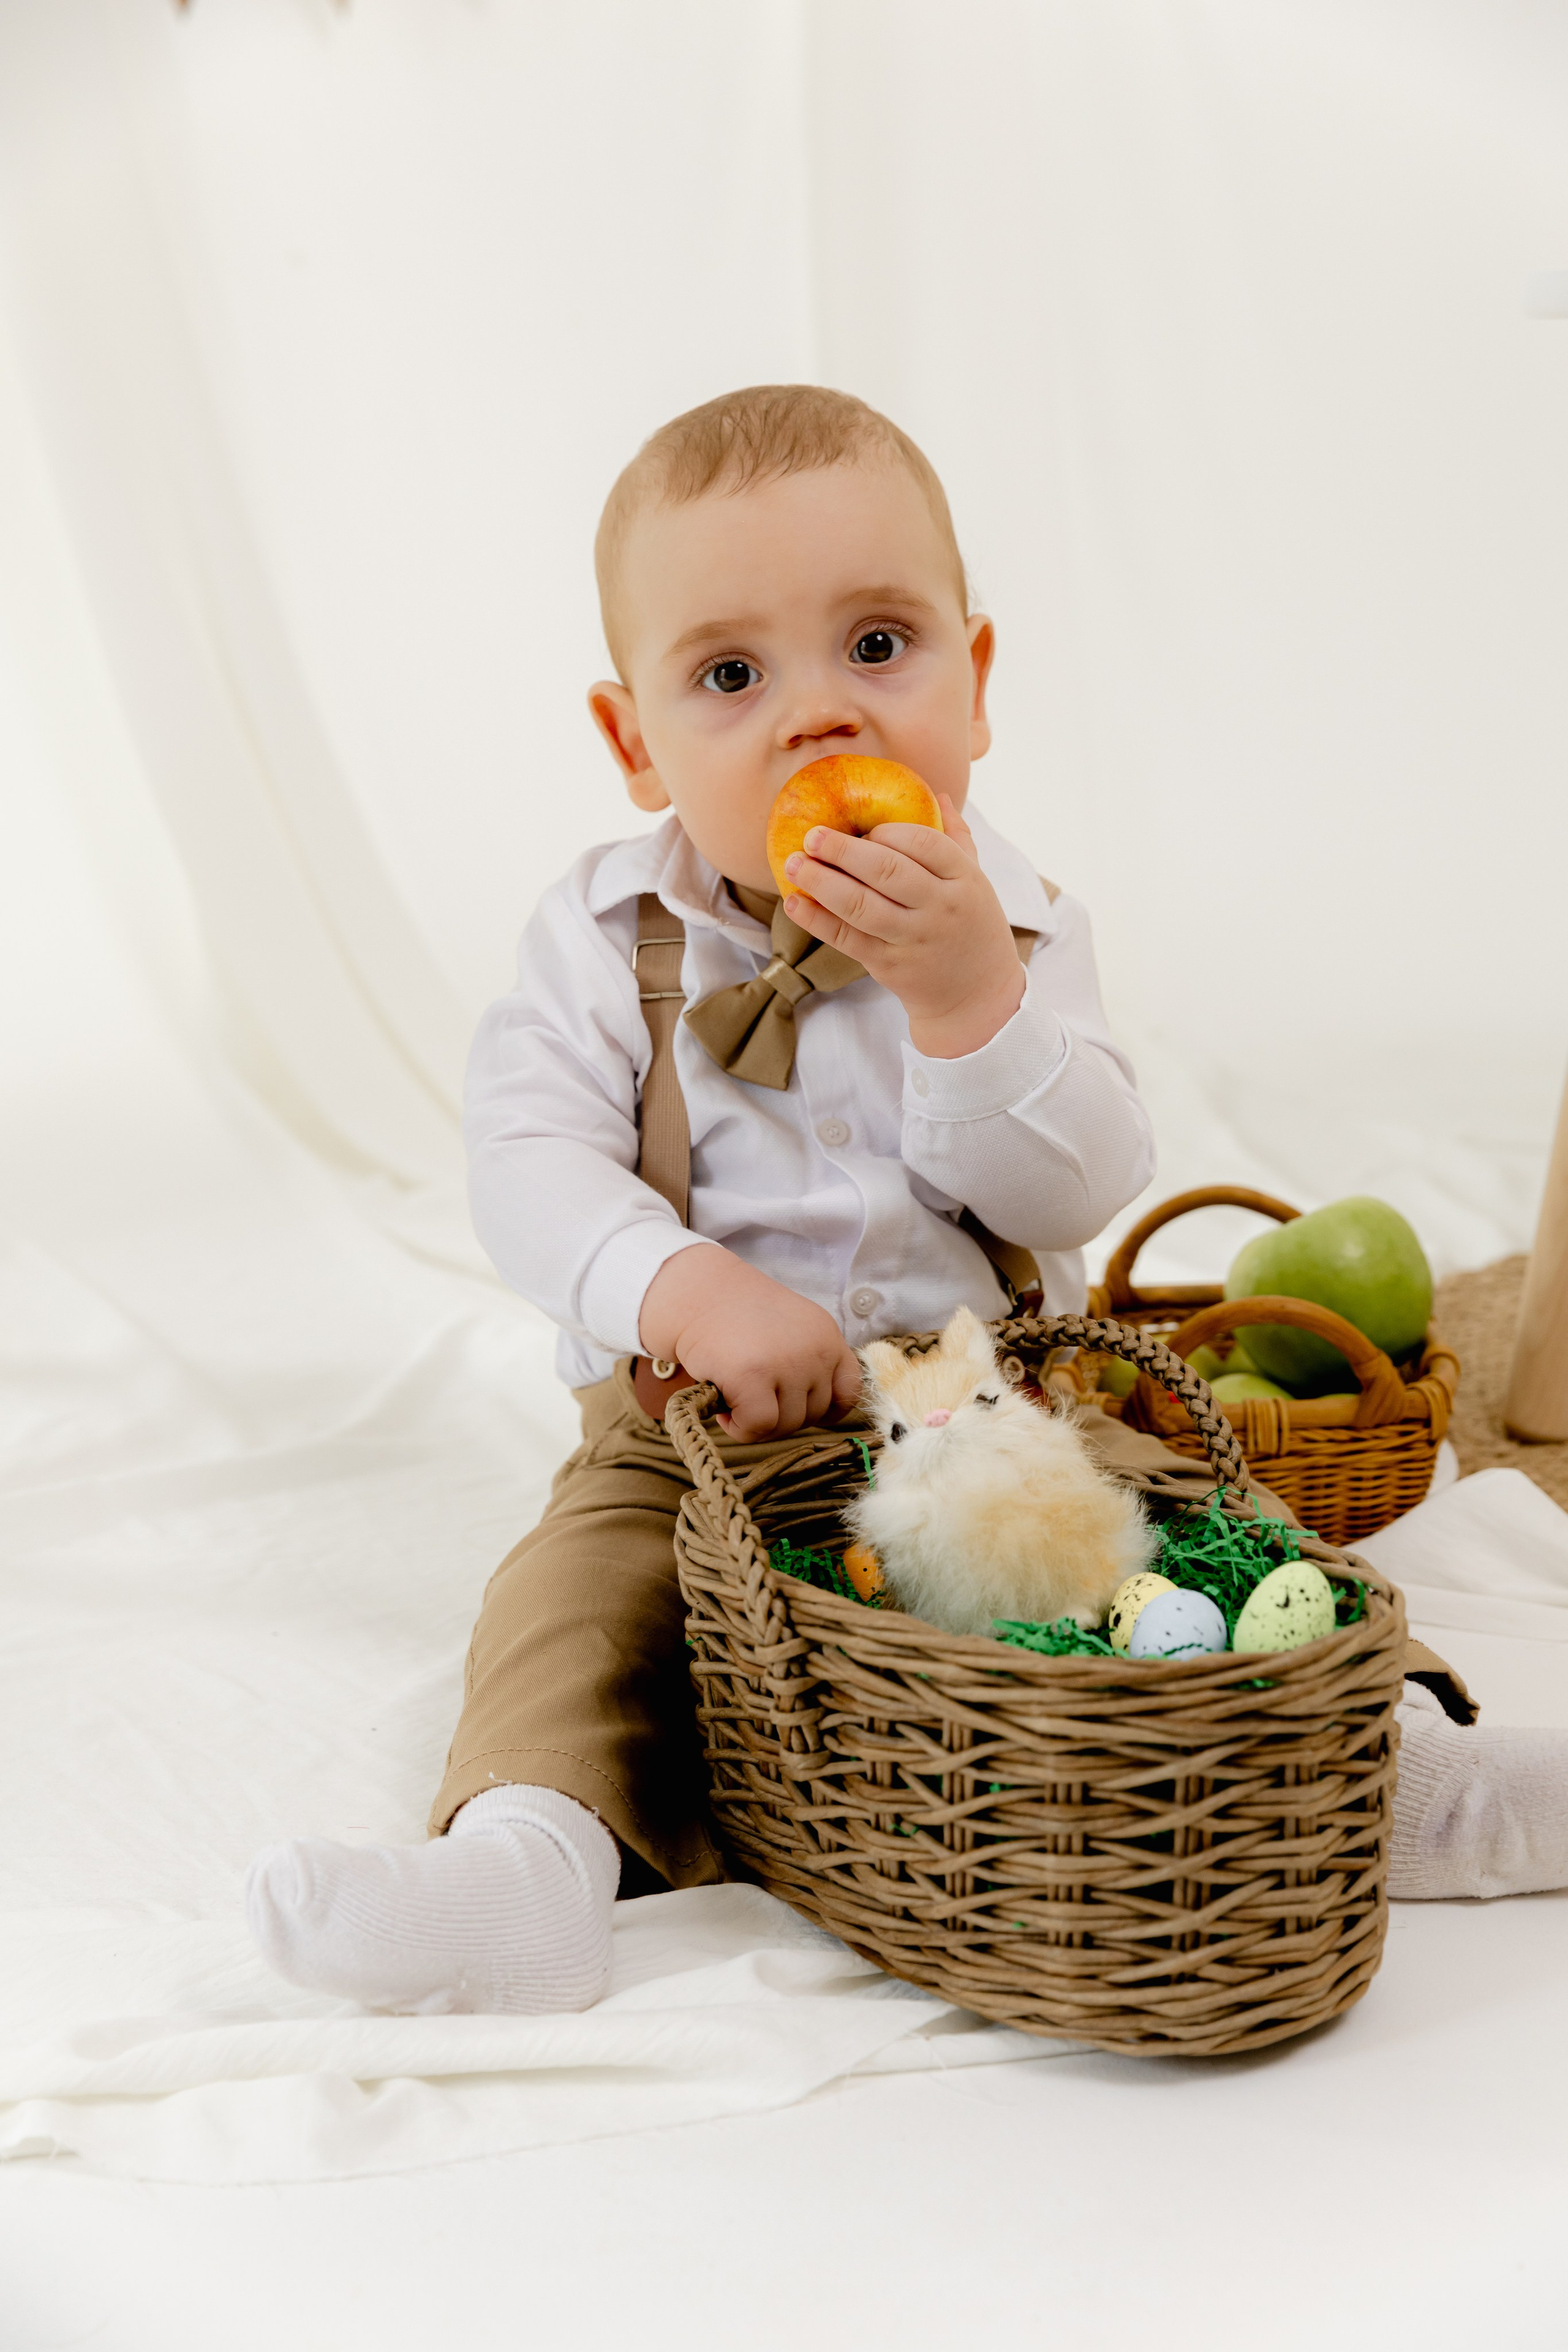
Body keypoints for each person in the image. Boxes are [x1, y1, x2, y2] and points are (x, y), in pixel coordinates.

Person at [246, 385, 1566, 2018]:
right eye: (732, 675)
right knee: (575, 1606)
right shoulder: (605, 940)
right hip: (693, 1433)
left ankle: (1406, 1770)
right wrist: (680, 1288)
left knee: (1202, 1537)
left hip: (989, 1396)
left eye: (879, 647)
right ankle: (529, 1863)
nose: (821, 717)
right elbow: (523, 1168)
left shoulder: (1014, 923)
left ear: (978, 679)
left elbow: (1085, 1176)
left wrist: (964, 1006)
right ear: (632, 740)